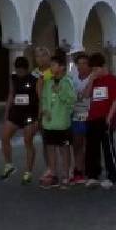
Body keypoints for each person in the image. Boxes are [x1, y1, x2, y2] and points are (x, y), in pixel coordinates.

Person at [39, 53, 77, 189]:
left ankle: (66, 176)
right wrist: (44, 110)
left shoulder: (67, 82)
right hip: (49, 123)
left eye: (54, 65)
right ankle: (53, 174)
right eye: (51, 65)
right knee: (50, 148)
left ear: (61, 67)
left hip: (62, 123)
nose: (51, 67)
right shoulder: (48, 81)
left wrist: (60, 92)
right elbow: (44, 98)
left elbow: (72, 100)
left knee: (64, 149)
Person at [84, 53, 116, 189]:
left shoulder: (111, 80)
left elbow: (115, 100)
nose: (94, 72)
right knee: (92, 148)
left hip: (105, 119)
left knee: (108, 148)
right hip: (92, 117)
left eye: (95, 69)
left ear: (102, 67)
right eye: (92, 70)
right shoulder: (94, 80)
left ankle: (112, 174)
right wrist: (91, 80)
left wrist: (109, 118)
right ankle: (93, 175)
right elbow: (87, 95)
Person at [0, 56, 39, 184]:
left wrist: (38, 118)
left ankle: (28, 171)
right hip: (16, 112)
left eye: (21, 70)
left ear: (26, 69)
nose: (19, 73)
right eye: (17, 70)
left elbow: (40, 98)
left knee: (27, 141)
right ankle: (9, 165)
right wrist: (6, 113)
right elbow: (12, 94)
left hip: (30, 113)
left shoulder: (34, 79)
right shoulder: (13, 78)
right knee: (4, 137)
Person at [69, 52, 91, 184]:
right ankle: (77, 169)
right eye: (79, 64)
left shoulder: (93, 78)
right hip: (76, 115)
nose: (82, 66)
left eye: (85, 63)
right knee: (77, 144)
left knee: (89, 144)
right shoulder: (72, 78)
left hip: (90, 115)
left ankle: (89, 169)